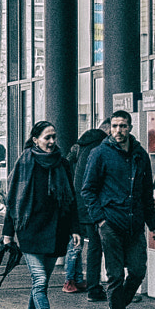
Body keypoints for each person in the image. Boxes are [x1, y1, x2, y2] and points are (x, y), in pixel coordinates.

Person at [79, 109, 155, 309]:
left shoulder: (140, 155)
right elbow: (88, 190)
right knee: (115, 276)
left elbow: (146, 195)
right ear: (110, 128)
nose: (118, 130)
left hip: (135, 223)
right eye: (115, 126)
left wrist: (154, 226)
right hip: (111, 224)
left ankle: (117, 303)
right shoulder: (99, 154)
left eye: (123, 126)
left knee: (137, 271)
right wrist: (100, 219)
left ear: (130, 128)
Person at [1, 121, 77, 309]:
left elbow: (71, 200)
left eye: (54, 137)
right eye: (47, 138)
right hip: (30, 232)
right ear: (35, 139)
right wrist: (8, 234)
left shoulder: (62, 164)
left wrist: (75, 229)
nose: (52, 142)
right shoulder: (25, 163)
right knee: (41, 280)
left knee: (38, 285)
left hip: (55, 233)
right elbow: (13, 201)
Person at [64, 127, 106, 296]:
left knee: (79, 244)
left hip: (79, 201)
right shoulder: (101, 147)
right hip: (93, 203)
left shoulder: (80, 145)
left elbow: (67, 162)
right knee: (96, 246)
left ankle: (75, 279)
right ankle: (93, 287)